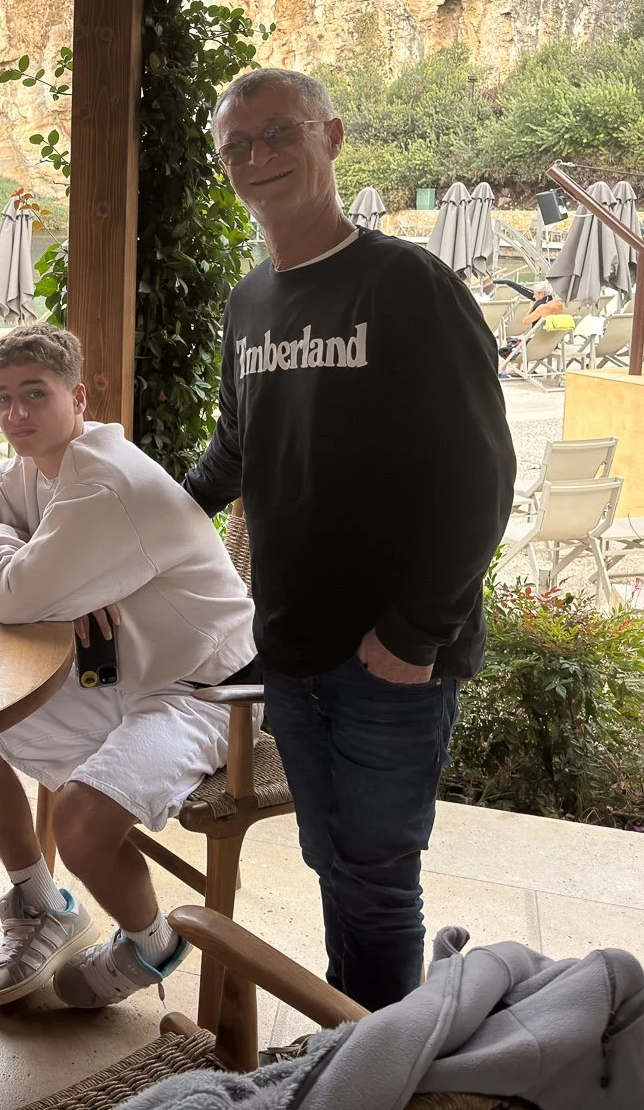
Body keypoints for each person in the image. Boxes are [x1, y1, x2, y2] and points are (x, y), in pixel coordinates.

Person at [183, 67, 512, 1011]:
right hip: (290, 645)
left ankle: (370, 1060)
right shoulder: (249, 303)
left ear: (331, 137)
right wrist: (128, 506)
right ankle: (359, 1034)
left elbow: (482, 475)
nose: (256, 158)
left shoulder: (408, 284)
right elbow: (233, 453)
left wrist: (414, 637)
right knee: (332, 857)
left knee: (374, 876)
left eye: (277, 134)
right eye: (236, 146)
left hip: (390, 656)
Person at [0, 324, 256, 1010]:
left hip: (208, 692)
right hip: (126, 675)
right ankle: (41, 902)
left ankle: (153, 942)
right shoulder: (30, 469)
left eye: (34, 395)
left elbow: (12, 598)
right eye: (4, 397)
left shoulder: (105, 482)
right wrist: (17, 555)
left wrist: (8, 551)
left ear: (78, 399)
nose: (16, 414)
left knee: (79, 823)